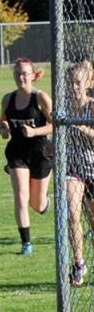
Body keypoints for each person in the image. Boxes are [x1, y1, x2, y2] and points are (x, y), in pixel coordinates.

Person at [0, 58, 54, 256]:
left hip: (40, 152)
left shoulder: (40, 98)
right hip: (17, 152)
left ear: (32, 75)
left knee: (36, 204)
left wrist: (34, 131)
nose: (20, 77)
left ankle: (45, 203)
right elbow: (3, 122)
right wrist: (4, 129)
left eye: (24, 73)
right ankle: (26, 244)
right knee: (21, 196)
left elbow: (56, 125)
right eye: (17, 73)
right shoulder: (8, 99)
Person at [65, 62, 94, 286]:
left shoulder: (91, 107)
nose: (74, 87)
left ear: (88, 84)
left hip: (92, 168)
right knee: (73, 214)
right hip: (73, 169)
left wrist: (85, 129)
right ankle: (78, 263)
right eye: (71, 83)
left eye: (78, 83)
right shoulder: (64, 107)